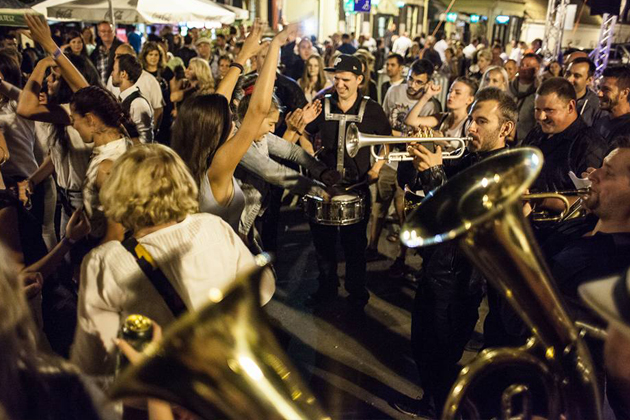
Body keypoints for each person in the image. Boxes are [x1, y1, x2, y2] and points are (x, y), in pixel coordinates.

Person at [71, 143, 275, 376]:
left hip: (160, 401)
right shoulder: (214, 227)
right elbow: (263, 290)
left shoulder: (105, 262)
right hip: (227, 379)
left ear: (118, 193)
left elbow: (94, 362)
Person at [395, 87, 517, 418]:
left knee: (442, 353)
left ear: (505, 128)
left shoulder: (506, 168)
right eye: (472, 120)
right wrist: (418, 158)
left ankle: (444, 409)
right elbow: (431, 192)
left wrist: (435, 171)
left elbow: (462, 215)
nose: (471, 128)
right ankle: (431, 401)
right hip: (438, 266)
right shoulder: (469, 158)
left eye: (481, 121)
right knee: (423, 345)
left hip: (462, 279)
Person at [171, 20, 293, 232]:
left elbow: (219, 100)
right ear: (215, 129)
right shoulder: (219, 164)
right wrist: (275, 47)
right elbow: (257, 111)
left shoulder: (197, 157)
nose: (234, 119)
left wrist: (242, 57)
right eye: (228, 117)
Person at [304, 54, 392, 309]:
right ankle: (327, 286)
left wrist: (376, 168)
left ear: (359, 80)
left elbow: (386, 141)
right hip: (325, 185)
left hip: (358, 186)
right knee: (323, 244)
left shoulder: (372, 108)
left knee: (355, 245)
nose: (339, 84)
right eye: (336, 78)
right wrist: (314, 164)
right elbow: (304, 134)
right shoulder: (323, 103)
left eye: (345, 79)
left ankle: (356, 291)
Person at [235, 94, 335, 251]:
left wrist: (322, 172)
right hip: (235, 225)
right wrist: (318, 190)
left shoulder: (259, 135)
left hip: (248, 221)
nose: (273, 129)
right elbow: (271, 172)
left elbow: (292, 151)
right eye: (270, 124)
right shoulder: (239, 140)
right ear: (255, 117)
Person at [523, 77, 607, 214]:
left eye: (549, 110)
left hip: (561, 231)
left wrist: (537, 200)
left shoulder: (589, 145)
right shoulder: (537, 133)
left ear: (570, 107)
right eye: (537, 109)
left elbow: (591, 201)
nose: (541, 116)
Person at [106, 44, 165, 128]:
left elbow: (158, 109)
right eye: (115, 55)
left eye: (119, 56)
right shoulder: (113, 78)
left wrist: (153, 130)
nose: (115, 58)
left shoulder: (150, 80)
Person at [111, 54, 154, 143]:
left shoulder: (138, 103)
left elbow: (145, 142)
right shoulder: (123, 99)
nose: (112, 74)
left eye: (114, 69)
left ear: (123, 74)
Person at [140, 41, 174, 144]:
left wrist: (174, 108)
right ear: (145, 56)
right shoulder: (141, 72)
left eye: (156, 55)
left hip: (165, 110)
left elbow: (173, 90)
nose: (153, 58)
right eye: (150, 54)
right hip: (147, 110)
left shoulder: (166, 71)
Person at [508, 53, 541, 144]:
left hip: (525, 139)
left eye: (528, 66)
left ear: (536, 69)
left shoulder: (540, 91)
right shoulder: (508, 87)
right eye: (522, 65)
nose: (523, 68)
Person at [593, 66, 630, 144]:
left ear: (625, 93)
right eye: (599, 88)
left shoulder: (627, 128)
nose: (599, 94)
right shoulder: (600, 121)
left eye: (606, 90)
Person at [564, 57, 604, 127]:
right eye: (568, 74)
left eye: (577, 76)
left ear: (589, 80)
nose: (569, 79)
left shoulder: (596, 106)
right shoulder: (553, 97)